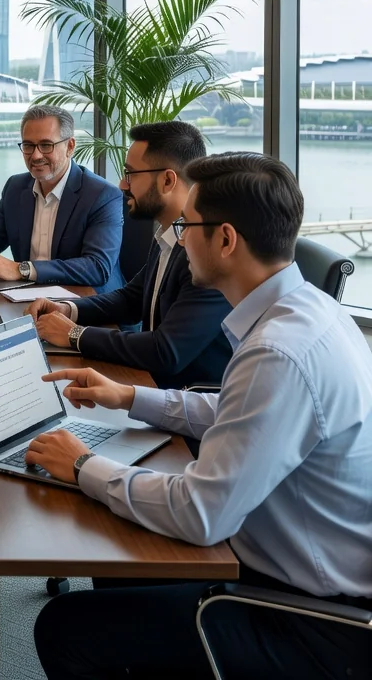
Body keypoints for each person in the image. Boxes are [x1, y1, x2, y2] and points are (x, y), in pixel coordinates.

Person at [28, 153, 372, 680]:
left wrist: (82, 466)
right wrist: (129, 397)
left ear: (227, 240)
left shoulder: (279, 351)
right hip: (297, 565)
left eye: (188, 225)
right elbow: (236, 410)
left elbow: (201, 514)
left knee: (63, 629)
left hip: (308, 618)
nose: (179, 236)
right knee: (116, 565)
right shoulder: (310, 312)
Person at [26, 121, 232, 390]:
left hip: (186, 409)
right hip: (152, 390)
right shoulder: (167, 234)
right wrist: (68, 309)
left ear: (168, 180)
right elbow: (132, 297)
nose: (123, 184)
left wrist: (75, 334)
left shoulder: (205, 251)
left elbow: (165, 351)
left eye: (131, 174)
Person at [0, 105, 123, 293]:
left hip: (86, 303)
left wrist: (22, 269)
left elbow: (97, 267)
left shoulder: (102, 195)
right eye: (28, 145)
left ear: (70, 146)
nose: (36, 155)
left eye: (46, 145)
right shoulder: (15, 187)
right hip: (26, 297)